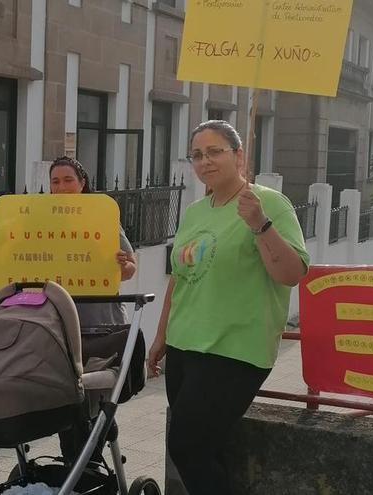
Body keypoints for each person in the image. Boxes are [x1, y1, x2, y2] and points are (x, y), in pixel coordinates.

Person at [146, 120, 309, 495]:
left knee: (187, 447)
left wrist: (260, 225)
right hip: (185, 346)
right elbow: (180, 277)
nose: (205, 161)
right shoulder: (195, 212)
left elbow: (292, 273)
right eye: (198, 155)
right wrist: (161, 336)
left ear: (239, 155)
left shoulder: (268, 203)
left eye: (215, 151)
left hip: (234, 349)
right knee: (204, 449)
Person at [48, 156, 137, 461]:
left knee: (98, 400)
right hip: (59, 328)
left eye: (68, 180)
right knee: (66, 401)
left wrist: (122, 264)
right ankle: (72, 465)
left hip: (101, 326)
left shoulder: (103, 218)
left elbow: (130, 268)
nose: (61, 187)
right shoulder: (40, 222)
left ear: (82, 184)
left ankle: (91, 465)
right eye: (55, 181)